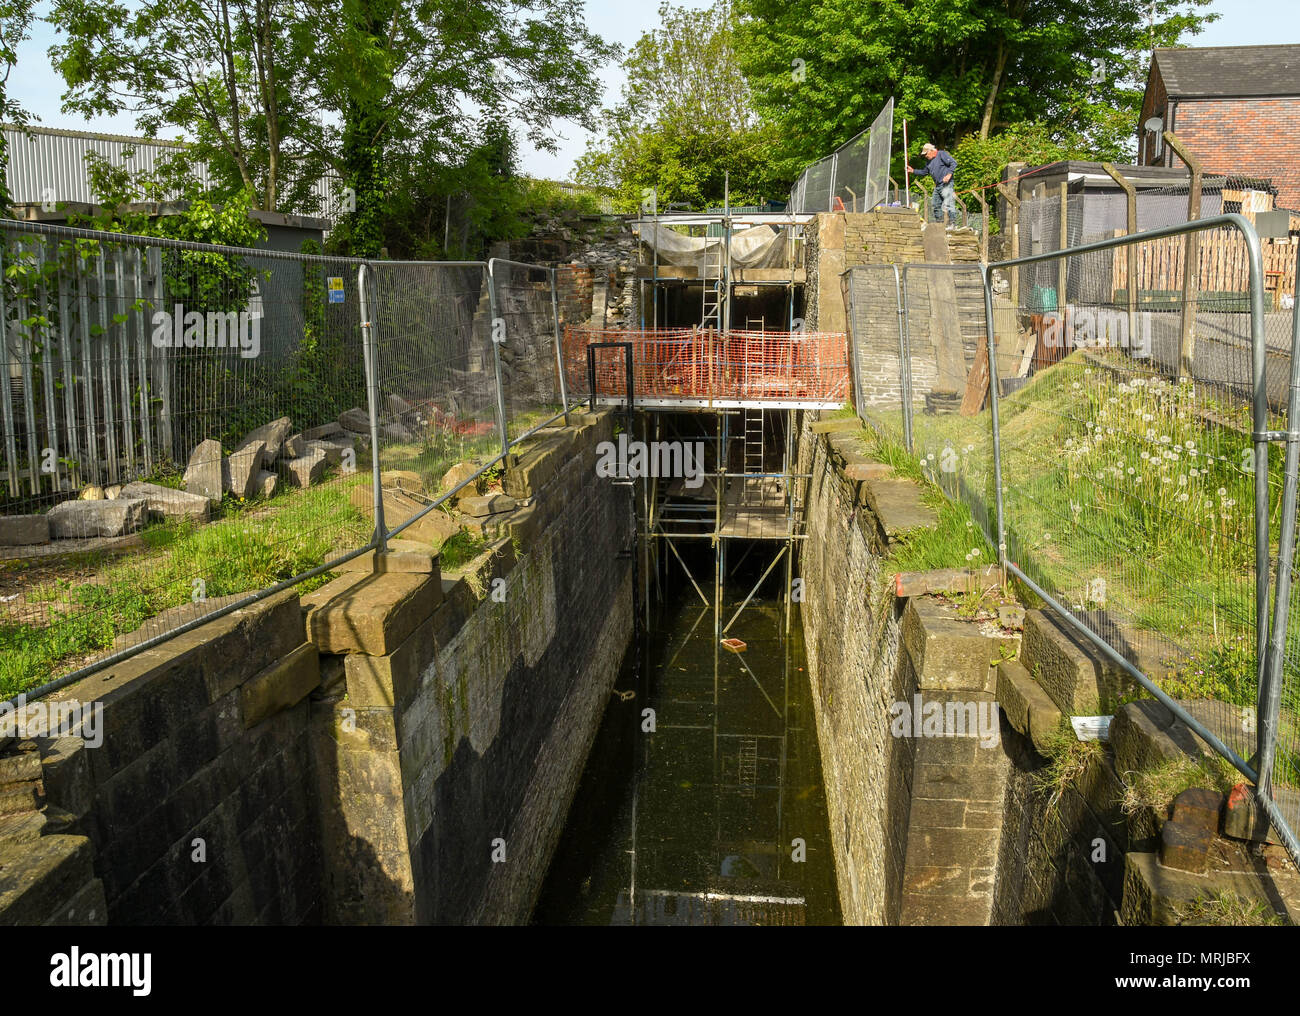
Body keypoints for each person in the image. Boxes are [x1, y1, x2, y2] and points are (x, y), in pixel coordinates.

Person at [907, 142, 959, 228]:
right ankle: (940, 224)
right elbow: (924, 172)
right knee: (935, 204)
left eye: (926, 154)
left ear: (931, 151)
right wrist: (913, 171)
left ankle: (953, 224)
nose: (925, 156)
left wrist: (949, 175)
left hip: (946, 184)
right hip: (938, 185)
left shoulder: (941, 154)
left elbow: (954, 163)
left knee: (948, 203)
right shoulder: (929, 162)